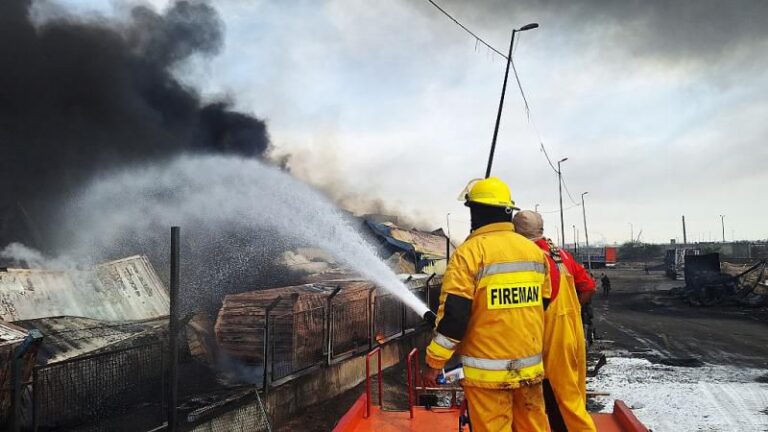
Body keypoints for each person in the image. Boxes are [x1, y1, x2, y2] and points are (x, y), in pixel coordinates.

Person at [422, 177, 552, 432]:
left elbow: (455, 318)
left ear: (476, 211)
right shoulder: (534, 252)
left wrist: (434, 362)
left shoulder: (469, 253)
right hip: (529, 372)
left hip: (486, 379)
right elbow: (543, 302)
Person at [513, 210, 597, 432]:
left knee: (540, 397)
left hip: (547, 336)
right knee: (572, 397)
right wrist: (573, 311)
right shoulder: (561, 255)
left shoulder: (529, 257)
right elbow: (588, 287)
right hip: (572, 332)